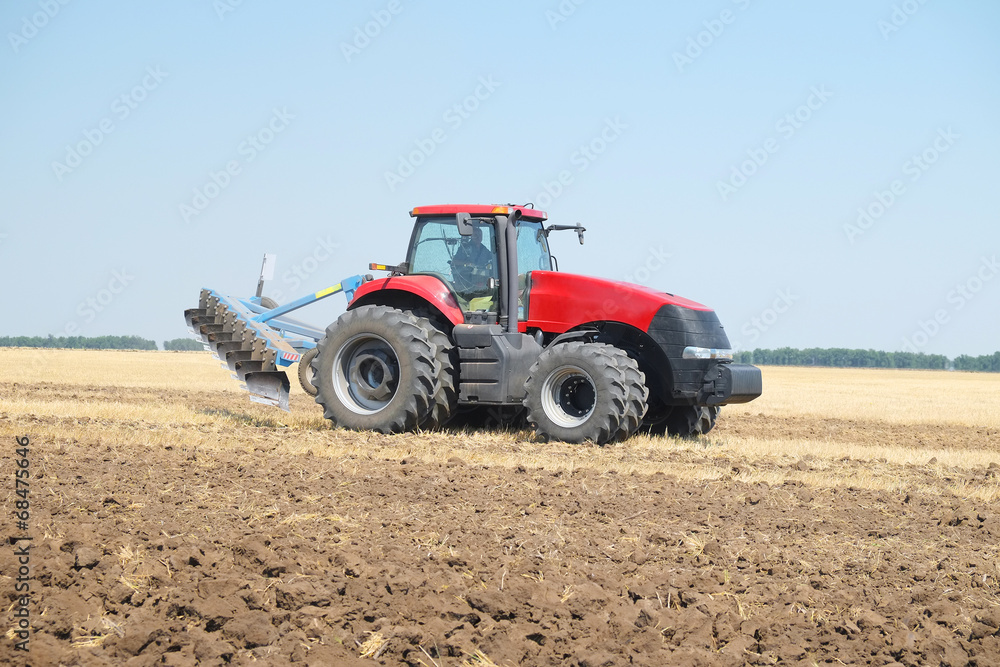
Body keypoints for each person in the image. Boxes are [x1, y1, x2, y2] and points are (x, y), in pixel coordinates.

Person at [450, 225, 497, 297]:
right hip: (467, 282)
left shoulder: (484, 249)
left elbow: (493, 259)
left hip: (481, 280)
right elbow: (454, 261)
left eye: (480, 235)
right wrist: (467, 263)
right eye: (476, 235)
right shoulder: (465, 248)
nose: (478, 237)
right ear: (471, 236)